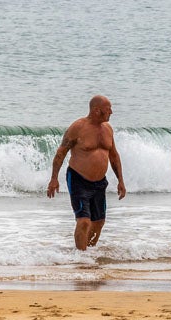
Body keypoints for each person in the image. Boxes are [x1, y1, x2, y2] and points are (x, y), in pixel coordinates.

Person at [47, 95, 126, 250]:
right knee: (84, 221)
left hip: (99, 182)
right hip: (78, 179)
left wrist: (121, 181)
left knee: (98, 223)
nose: (111, 112)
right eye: (108, 109)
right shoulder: (78, 127)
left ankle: (88, 254)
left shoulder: (108, 129)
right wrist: (53, 179)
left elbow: (114, 156)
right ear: (96, 110)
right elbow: (61, 153)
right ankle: (81, 259)